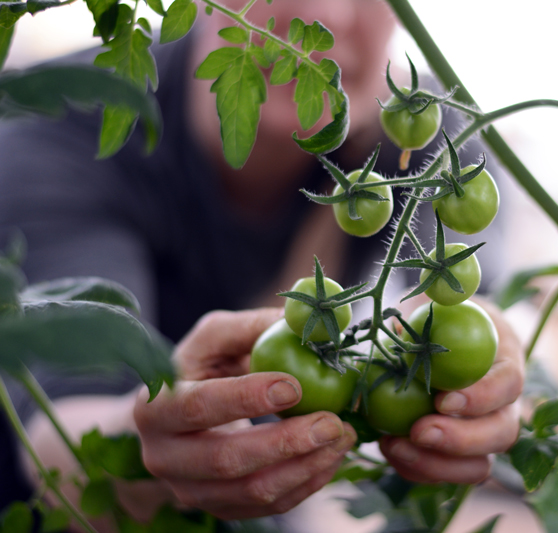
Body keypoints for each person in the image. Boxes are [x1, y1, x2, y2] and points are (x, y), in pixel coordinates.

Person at [0, 0, 524, 527]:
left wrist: (484, 383)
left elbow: (476, 310)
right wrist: (137, 446)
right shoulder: (65, 118)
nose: (330, 17)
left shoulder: (427, 136)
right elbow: (64, 427)